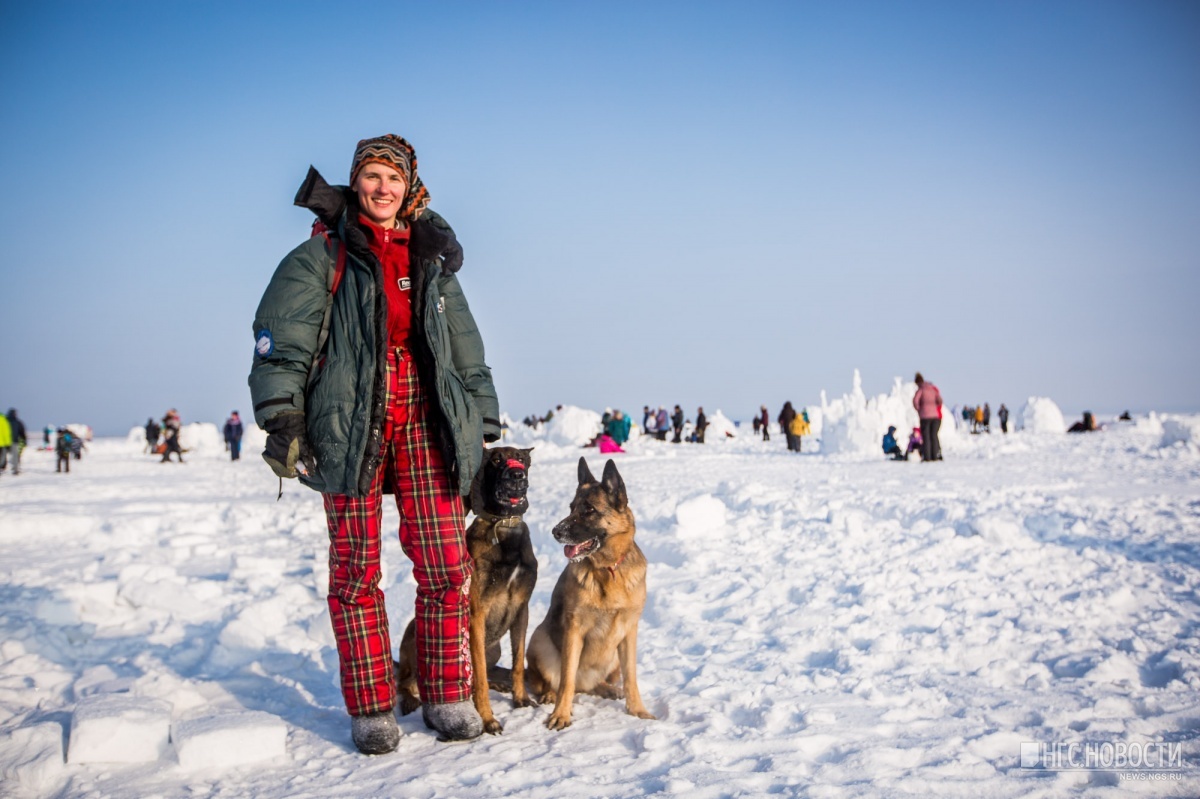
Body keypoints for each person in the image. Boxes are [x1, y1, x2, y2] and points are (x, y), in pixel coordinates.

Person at [248, 134, 499, 754]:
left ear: (408, 185)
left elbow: (464, 348)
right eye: (371, 176)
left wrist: (483, 422)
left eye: (393, 177)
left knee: (446, 565)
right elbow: (282, 339)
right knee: (356, 572)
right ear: (356, 182)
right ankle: (371, 706)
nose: (382, 188)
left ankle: (445, 694)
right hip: (347, 419)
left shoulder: (432, 258)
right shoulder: (322, 256)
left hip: (425, 417)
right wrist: (283, 415)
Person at [913, 373, 943, 462]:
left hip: (925, 417)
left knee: (926, 437)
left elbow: (915, 401)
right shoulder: (932, 389)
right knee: (934, 436)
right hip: (935, 417)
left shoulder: (921, 390)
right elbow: (940, 400)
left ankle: (927, 457)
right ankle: (935, 456)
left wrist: (919, 409)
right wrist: (934, 407)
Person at [5, 409, 26, 476]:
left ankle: (14, 469)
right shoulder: (17, 422)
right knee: (14, 456)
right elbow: (22, 432)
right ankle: (15, 469)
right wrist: (24, 439)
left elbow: (21, 432)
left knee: (7, 456)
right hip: (12, 441)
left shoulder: (6, 421)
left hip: (8, 441)